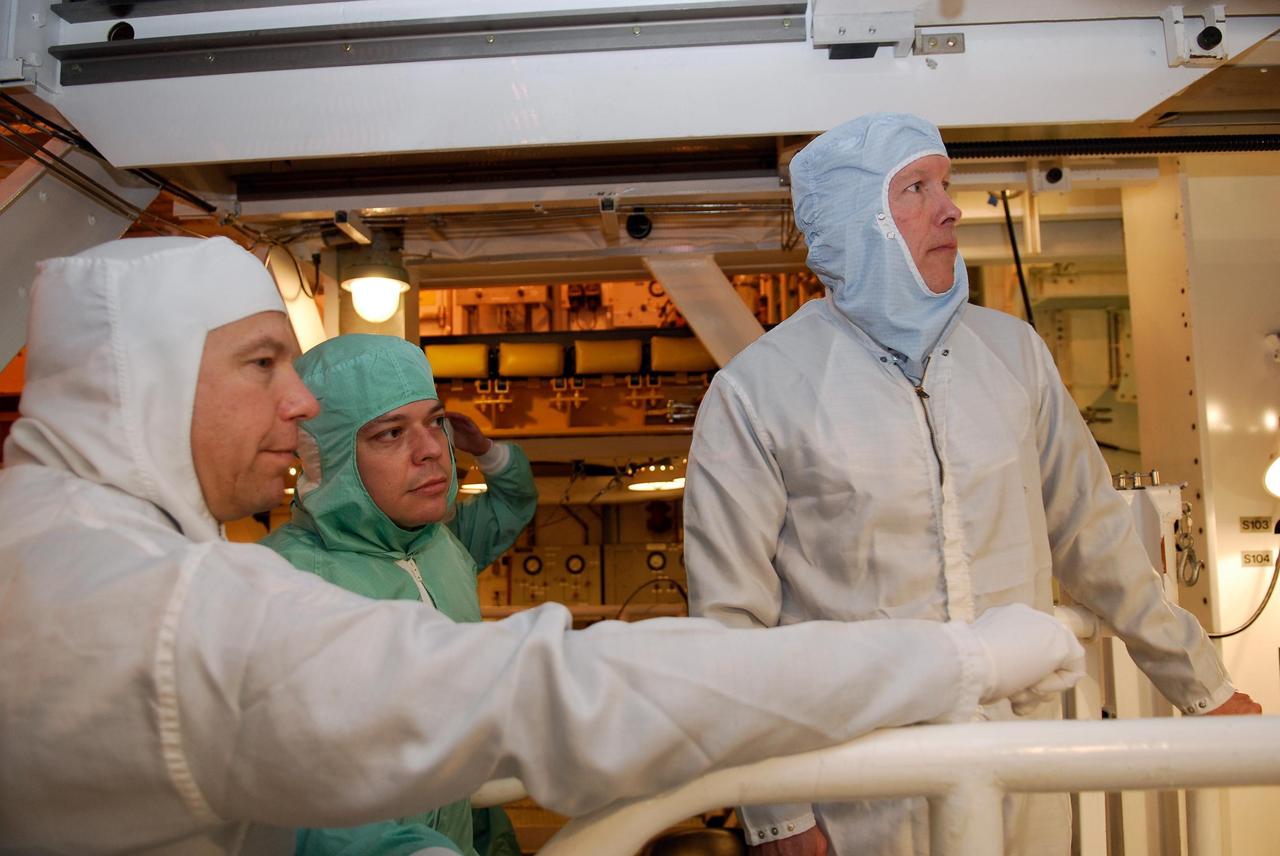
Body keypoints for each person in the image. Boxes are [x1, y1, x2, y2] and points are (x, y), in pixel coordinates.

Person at [0, 236, 1085, 855]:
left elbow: (503, 535)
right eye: (260, 364)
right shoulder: (149, 609)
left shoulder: (71, 553)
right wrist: (960, 658)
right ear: (144, 381)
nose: (294, 404)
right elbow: (547, 692)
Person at [683, 112, 1262, 856]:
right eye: (917, 188)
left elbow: (1095, 536)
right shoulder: (759, 392)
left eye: (947, 183)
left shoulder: (1012, 355)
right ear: (855, 224)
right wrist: (776, 810)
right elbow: (730, 620)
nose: (951, 207)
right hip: (866, 784)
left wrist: (1203, 690)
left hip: (1022, 765)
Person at [262, 333, 536, 856]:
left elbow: (516, 501)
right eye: (390, 433)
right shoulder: (285, 584)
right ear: (334, 457)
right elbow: (290, 792)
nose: (432, 449)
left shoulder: (441, 547)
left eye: (434, 421)